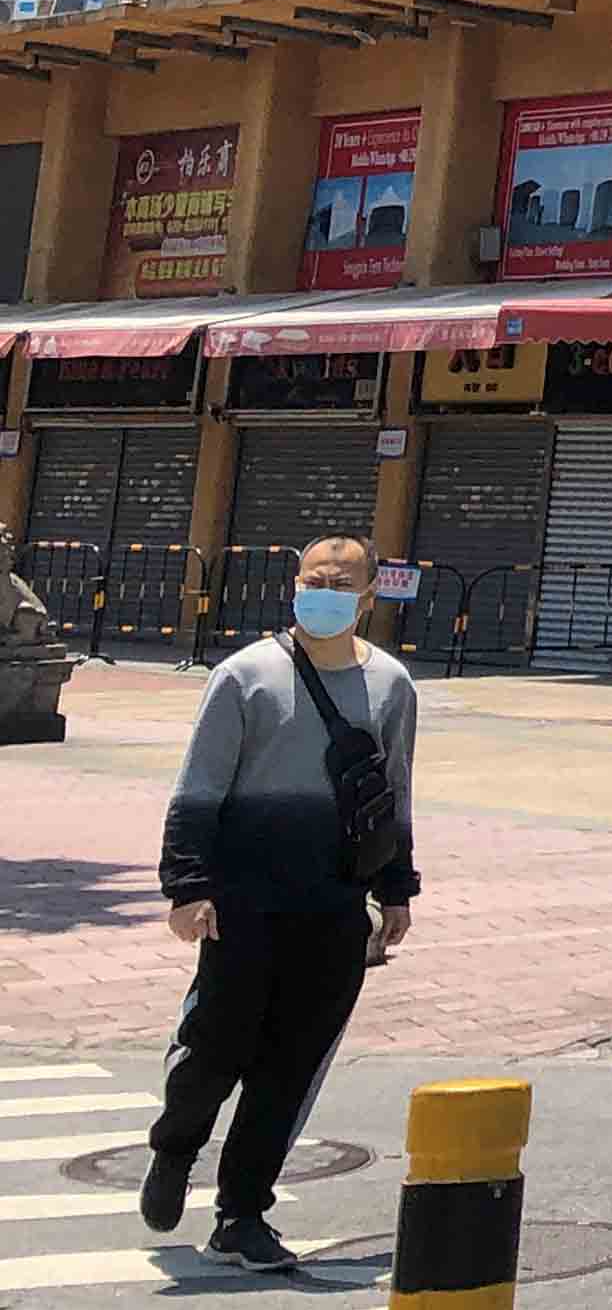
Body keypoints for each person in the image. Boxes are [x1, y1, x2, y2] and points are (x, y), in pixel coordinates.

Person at [146, 534, 416, 1270]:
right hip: (242, 903)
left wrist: (396, 887)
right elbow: (198, 788)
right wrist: (187, 887)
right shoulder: (245, 676)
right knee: (218, 1047)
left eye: (341, 581)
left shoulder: (392, 685)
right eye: (313, 578)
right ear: (294, 586)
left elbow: (394, 795)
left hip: (333, 906)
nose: (324, 590)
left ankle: (242, 1214)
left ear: (367, 597)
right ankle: (176, 1146)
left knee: (290, 1068)